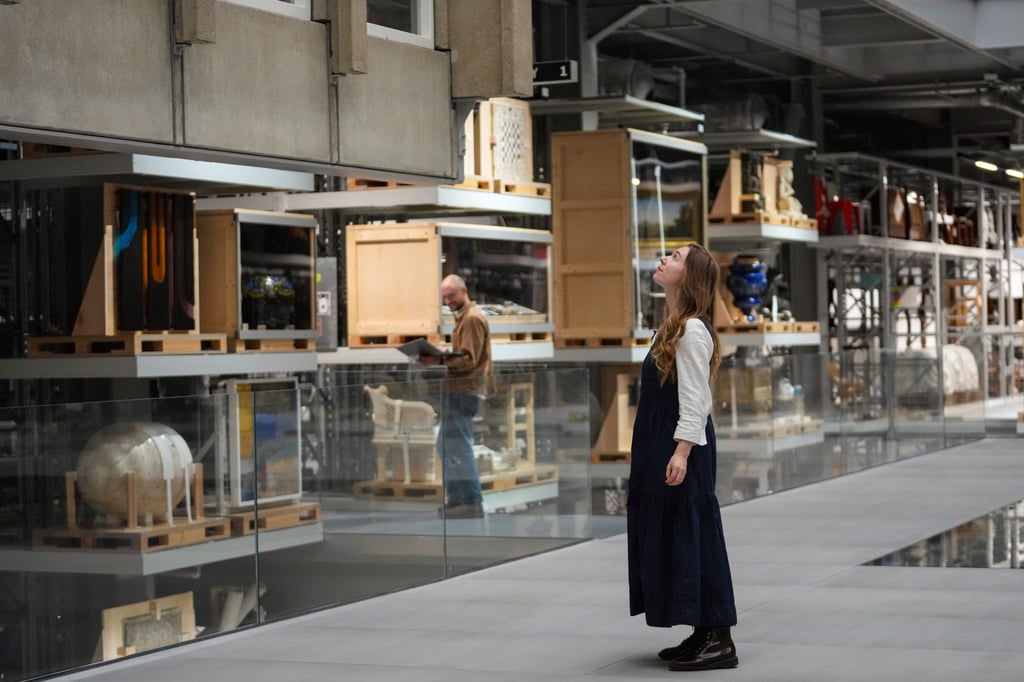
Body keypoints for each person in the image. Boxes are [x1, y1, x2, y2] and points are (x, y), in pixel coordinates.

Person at [627, 243, 739, 671]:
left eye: (674, 257)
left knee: (696, 533)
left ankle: (720, 636)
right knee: (678, 533)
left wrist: (681, 453)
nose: (664, 259)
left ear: (688, 275)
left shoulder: (692, 330)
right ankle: (700, 631)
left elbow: (697, 399)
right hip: (663, 443)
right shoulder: (672, 327)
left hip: (681, 447)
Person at [419, 274, 493, 519]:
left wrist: (439, 359)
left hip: (465, 390)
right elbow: (464, 354)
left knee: (458, 445)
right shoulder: (465, 318)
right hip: (460, 389)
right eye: (445, 297)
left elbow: (468, 359)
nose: (448, 301)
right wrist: (444, 356)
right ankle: (458, 498)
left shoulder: (471, 319)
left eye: (451, 295)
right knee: (448, 444)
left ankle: (471, 501)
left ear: (464, 291)